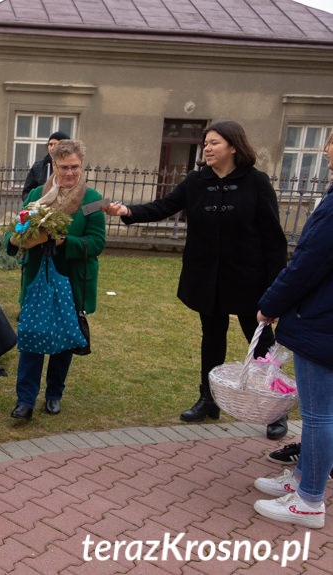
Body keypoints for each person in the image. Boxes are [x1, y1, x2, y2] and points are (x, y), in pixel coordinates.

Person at [103, 120, 289, 440]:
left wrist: (275, 287)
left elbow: (274, 239)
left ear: (233, 146)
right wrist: (128, 211)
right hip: (207, 277)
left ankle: (276, 409)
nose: (207, 147)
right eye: (205, 142)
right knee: (211, 338)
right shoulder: (196, 181)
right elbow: (164, 206)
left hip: (249, 278)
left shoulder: (256, 183)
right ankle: (209, 399)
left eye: (214, 142)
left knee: (260, 342)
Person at [253, 131, 333, 528]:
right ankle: (303, 480)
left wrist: (271, 304)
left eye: (332, 142)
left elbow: (306, 263)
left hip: (322, 321)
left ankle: (309, 501)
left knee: (320, 416)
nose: (326, 149)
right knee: (325, 413)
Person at [7, 139, 106, 419]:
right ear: (54, 166)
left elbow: (97, 242)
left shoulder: (91, 200)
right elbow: (19, 225)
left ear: (81, 166)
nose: (70, 173)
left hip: (71, 279)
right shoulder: (38, 194)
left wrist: (67, 242)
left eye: (75, 167)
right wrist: (14, 241)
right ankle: (25, 399)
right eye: (64, 167)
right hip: (39, 276)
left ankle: (54, 393)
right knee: (32, 335)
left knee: (63, 339)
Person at [22, 130, 70, 195]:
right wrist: (34, 203)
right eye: (50, 144)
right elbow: (27, 191)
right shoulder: (38, 167)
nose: (52, 148)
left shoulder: (72, 167)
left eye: (56, 144)